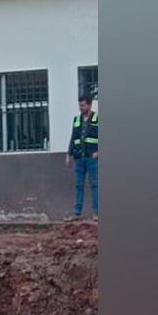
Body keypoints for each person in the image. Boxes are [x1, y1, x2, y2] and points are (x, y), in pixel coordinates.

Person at [64, 92, 99, 220]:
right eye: (80, 105)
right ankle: (77, 212)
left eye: (83, 105)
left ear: (89, 105)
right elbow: (73, 137)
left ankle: (97, 213)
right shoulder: (76, 120)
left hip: (92, 157)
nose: (81, 108)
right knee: (78, 185)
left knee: (95, 184)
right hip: (79, 157)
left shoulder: (97, 119)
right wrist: (69, 154)